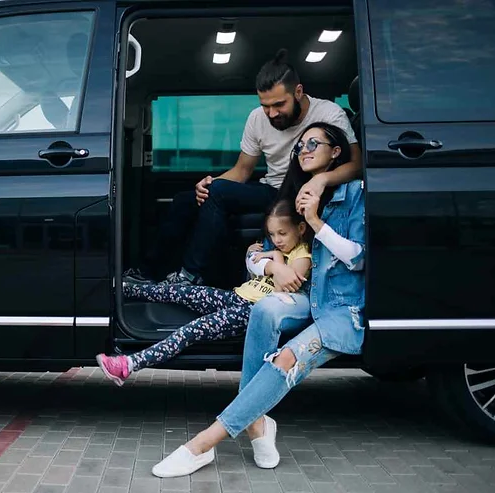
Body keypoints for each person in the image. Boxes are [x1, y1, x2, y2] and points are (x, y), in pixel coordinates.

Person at [149, 122, 366, 478]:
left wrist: (314, 219)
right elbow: (254, 256)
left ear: (336, 151)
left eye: (314, 143)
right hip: (302, 295)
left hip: (340, 307)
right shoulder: (289, 196)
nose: (304, 149)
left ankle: (204, 444)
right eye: (299, 145)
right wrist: (273, 263)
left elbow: (357, 258)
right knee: (264, 308)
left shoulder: (353, 192)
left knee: (287, 357)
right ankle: (257, 423)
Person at [125, 49, 361, 286]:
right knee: (187, 199)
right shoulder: (257, 118)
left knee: (216, 195)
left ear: (298, 92)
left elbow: (357, 164)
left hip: (301, 191)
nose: (272, 113)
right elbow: (242, 171)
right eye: (266, 105)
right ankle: (148, 273)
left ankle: (190, 276)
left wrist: (321, 180)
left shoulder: (329, 113)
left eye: (279, 104)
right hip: (272, 190)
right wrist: (211, 183)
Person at [96, 199, 312, 385]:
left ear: (301, 229)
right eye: (272, 234)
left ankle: (128, 364)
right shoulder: (275, 249)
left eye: (282, 233)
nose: (277, 240)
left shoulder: (302, 257)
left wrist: (274, 258)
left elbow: (285, 288)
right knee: (181, 292)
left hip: (251, 312)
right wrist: (269, 256)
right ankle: (123, 289)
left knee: (191, 330)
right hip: (236, 296)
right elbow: (253, 263)